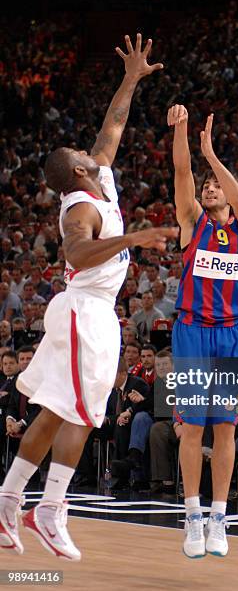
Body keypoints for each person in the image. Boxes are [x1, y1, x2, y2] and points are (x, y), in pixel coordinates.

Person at [0, 33, 178, 561]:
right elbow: (78, 252)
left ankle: (11, 499)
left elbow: (112, 127)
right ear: (78, 170)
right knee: (80, 413)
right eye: (82, 153)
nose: (90, 150)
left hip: (86, 312)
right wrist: (135, 239)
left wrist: (130, 78)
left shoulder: (99, 179)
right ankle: (49, 508)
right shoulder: (81, 203)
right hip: (83, 311)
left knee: (57, 412)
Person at [168, 104, 238, 558]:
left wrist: (213, 155)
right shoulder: (192, 223)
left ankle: (219, 519)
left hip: (232, 335)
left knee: (225, 429)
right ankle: (192, 516)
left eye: (214, 185)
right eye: (206, 186)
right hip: (191, 332)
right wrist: (184, 133)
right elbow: (182, 170)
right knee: (191, 430)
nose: (208, 188)